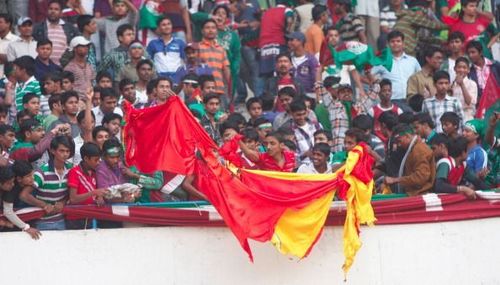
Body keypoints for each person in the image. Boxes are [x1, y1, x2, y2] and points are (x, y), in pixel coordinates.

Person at [20, 135, 74, 231]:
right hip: (42, 222)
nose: (65, 154)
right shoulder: (42, 172)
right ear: (53, 151)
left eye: (67, 151)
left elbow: (71, 193)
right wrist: (43, 205)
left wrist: (63, 202)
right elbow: (24, 195)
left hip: (62, 220)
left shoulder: (71, 169)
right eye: (61, 151)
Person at [370, 30, 420, 111]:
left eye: (398, 41)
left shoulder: (413, 61)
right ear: (388, 44)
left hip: (411, 101)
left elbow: (420, 78)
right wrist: (376, 84)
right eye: (392, 41)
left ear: (403, 44)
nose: (395, 43)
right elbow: (368, 75)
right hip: (392, 101)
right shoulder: (382, 62)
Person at [384, 123, 436, 196]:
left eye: (399, 141)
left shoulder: (419, 150)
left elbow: (420, 177)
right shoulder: (413, 148)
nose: (399, 145)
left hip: (420, 195)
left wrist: (395, 180)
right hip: (415, 194)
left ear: (407, 136)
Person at [66, 142, 109, 230]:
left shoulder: (94, 172)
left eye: (99, 160)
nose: (98, 163)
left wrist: (99, 197)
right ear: (86, 158)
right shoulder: (74, 172)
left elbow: (96, 194)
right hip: (76, 219)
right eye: (96, 160)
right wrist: (94, 192)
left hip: (91, 217)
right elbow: (73, 199)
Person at [1, 161, 42, 239]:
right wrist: (26, 227)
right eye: (28, 176)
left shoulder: (26, 183)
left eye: (33, 174)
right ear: (19, 179)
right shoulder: (10, 188)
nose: (33, 178)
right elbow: (8, 212)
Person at [32, 0, 79, 65]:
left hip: (65, 67)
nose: (53, 11)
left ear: (61, 13)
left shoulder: (70, 28)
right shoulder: (38, 28)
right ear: (47, 11)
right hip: (44, 67)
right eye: (50, 9)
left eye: (56, 9)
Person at [198, 19, 231, 101]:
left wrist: (231, 88)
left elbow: (226, 70)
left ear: (217, 31)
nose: (210, 30)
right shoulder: (197, 47)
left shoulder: (221, 49)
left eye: (213, 28)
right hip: (202, 91)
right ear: (202, 31)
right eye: (207, 28)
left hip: (219, 90)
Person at [287, 31, 319, 96]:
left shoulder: (311, 59)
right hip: (291, 95)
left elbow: (316, 79)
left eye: (291, 40)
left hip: (308, 95)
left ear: (300, 42)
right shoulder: (287, 58)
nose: (288, 43)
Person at [63, 36, 95, 101]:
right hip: (77, 101)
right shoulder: (69, 68)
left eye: (87, 46)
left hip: (90, 99)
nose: (86, 48)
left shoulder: (89, 66)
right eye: (82, 46)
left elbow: (92, 82)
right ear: (75, 48)